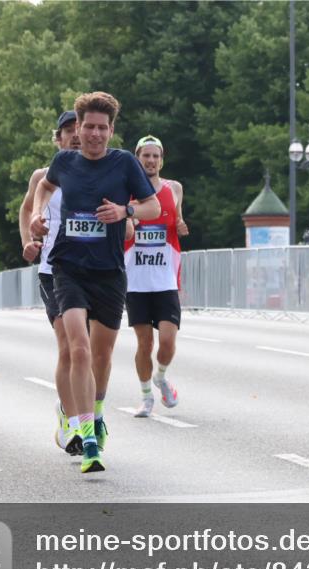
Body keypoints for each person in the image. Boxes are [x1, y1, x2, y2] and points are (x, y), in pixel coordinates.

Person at [29, 92, 160, 474]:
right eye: (88, 127)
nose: (94, 134)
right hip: (67, 268)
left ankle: (97, 412)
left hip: (109, 272)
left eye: (102, 128)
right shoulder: (64, 161)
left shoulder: (123, 164)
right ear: (79, 128)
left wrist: (125, 210)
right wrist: (38, 214)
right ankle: (87, 439)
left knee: (101, 356)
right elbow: (43, 188)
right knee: (79, 349)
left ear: (111, 130)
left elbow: (152, 206)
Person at [19, 111, 83, 454]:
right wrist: (27, 241)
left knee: (86, 348)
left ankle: (78, 412)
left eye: (79, 129)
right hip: (52, 269)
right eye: (67, 131)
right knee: (68, 345)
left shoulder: (96, 173)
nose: (74, 135)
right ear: (57, 139)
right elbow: (26, 210)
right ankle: (71, 423)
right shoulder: (43, 177)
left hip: (90, 271)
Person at [125, 135, 189, 417]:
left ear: (162, 160)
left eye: (155, 156)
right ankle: (146, 397)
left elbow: (177, 220)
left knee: (167, 341)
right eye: (145, 156)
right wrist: (130, 221)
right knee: (144, 343)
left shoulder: (174, 188)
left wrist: (182, 224)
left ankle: (161, 377)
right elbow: (120, 228)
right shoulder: (125, 191)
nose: (150, 161)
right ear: (137, 158)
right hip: (136, 280)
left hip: (164, 279)